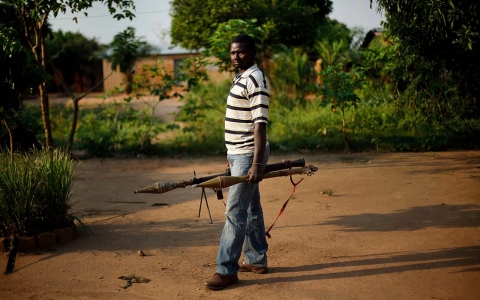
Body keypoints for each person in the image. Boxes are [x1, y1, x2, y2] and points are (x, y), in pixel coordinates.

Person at [204, 34, 271, 290]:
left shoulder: (255, 78)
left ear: (252, 52)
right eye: (232, 53)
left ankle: (226, 270)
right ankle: (255, 259)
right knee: (251, 207)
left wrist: (255, 163)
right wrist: (231, 155)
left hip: (248, 153)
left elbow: (260, 124)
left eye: (241, 52)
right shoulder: (241, 77)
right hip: (238, 153)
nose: (235, 57)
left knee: (235, 212)